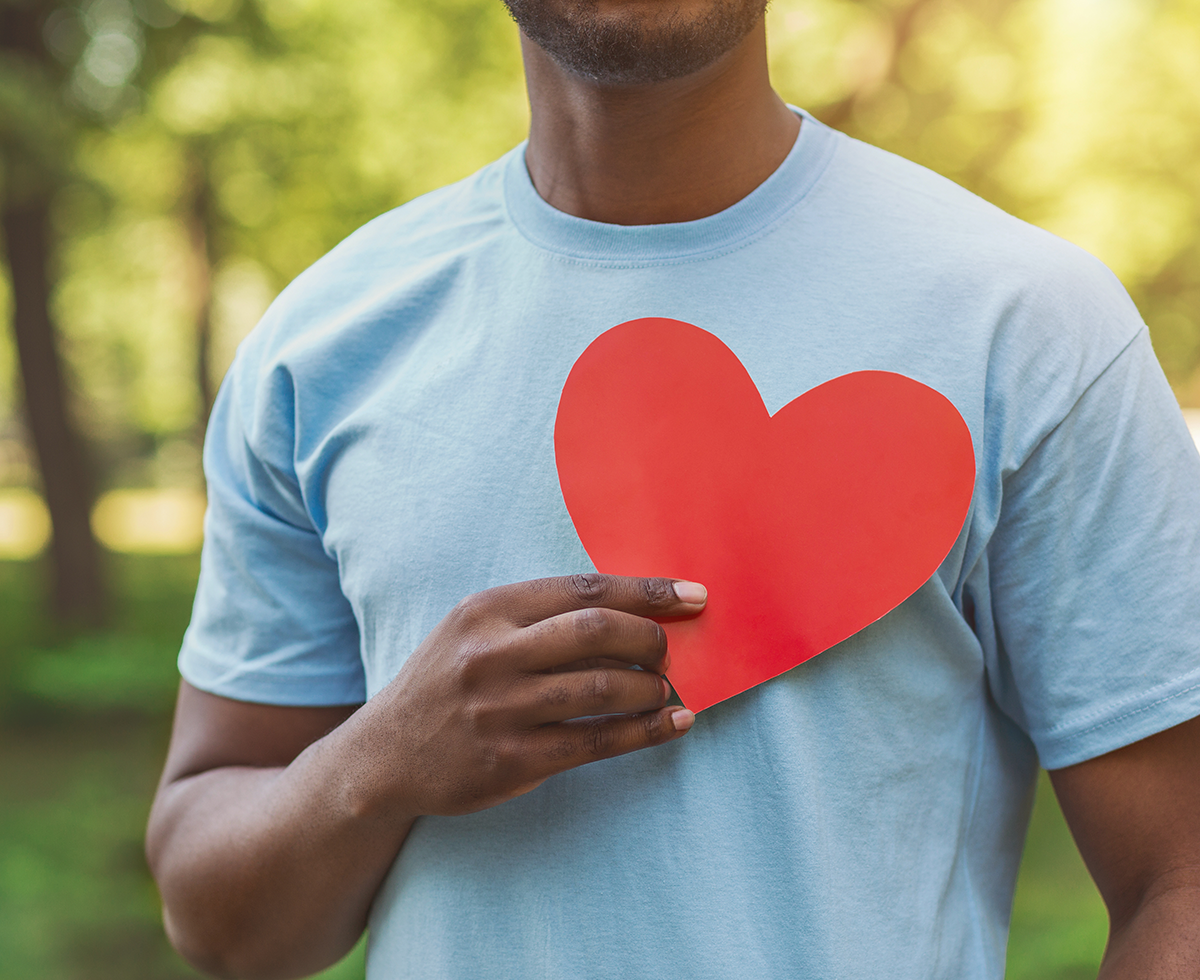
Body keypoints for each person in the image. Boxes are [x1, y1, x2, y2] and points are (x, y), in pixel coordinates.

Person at [145, 0, 1200, 977]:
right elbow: (217, 921)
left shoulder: (1027, 324)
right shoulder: (321, 344)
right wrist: (377, 762)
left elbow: (1177, 882)